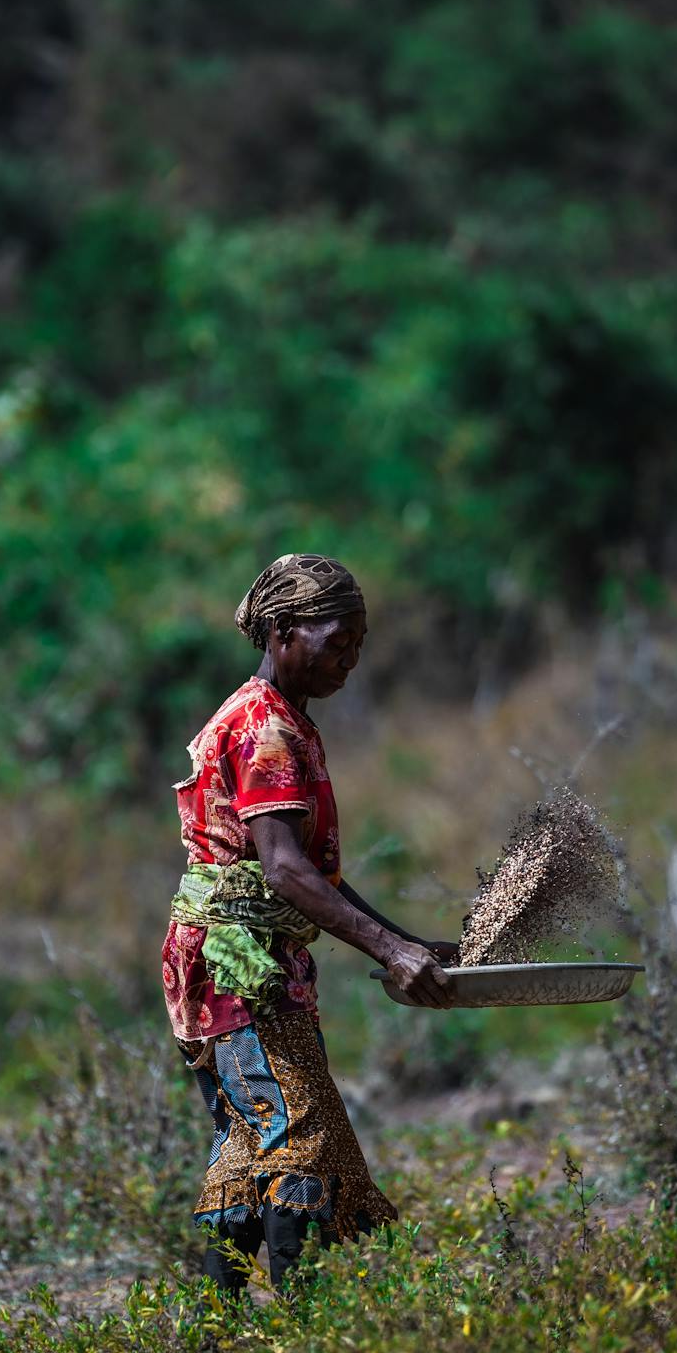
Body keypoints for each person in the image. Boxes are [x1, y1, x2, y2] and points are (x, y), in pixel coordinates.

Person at [162, 551, 455, 1295]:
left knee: (250, 1143)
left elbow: (307, 871)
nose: (349, 661)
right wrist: (390, 949)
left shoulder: (279, 719)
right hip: (241, 967)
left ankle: (215, 1348)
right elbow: (287, 871)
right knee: (298, 1142)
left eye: (359, 645)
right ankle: (305, 1333)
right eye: (337, 642)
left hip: (236, 961)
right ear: (285, 631)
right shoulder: (266, 728)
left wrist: (405, 944)